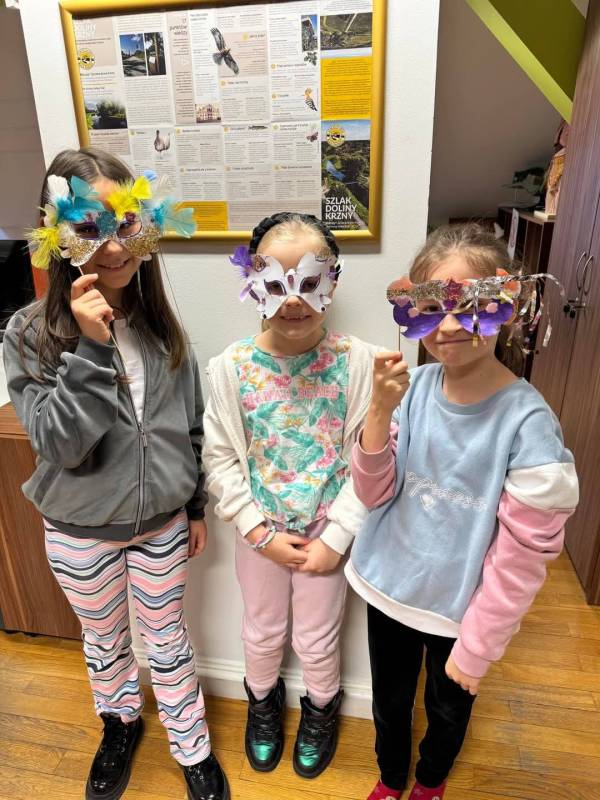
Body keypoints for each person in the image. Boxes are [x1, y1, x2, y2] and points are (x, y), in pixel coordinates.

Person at [3, 147, 229, 800]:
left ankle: (192, 748)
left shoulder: (160, 330)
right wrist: (91, 348)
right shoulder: (29, 335)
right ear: (57, 234)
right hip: (79, 532)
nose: (112, 246)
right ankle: (120, 724)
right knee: (105, 642)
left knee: (168, 640)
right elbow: (60, 442)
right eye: (89, 226)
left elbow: (190, 427)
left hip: (161, 527)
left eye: (125, 222)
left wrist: (193, 507)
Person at [346, 223, 579, 800]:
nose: (449, 326)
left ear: (508, 306)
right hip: (389, 587)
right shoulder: (412, 390)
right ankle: (390, 776)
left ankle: (429, 782)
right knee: (389, 702)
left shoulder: (528, 424)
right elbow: (372, 493)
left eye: (472, 305)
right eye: (431, 307)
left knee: (449, 709)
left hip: (461, 610)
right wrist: (378, 411)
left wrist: (478, 646)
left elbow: (524, 556)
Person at [202, 212, 379, 779]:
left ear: (333, 280)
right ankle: (262, 703)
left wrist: (337, 536)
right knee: (261, 630)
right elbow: (220, 460)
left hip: (328, 533)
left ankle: (321, 709)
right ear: (251, 282)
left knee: (318, 637)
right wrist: (257, 532)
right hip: (261, 531)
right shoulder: (230, 369)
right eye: (276, 282)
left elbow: (370, 458)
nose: (295, 300)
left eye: (309, 280)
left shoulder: (358, 363)